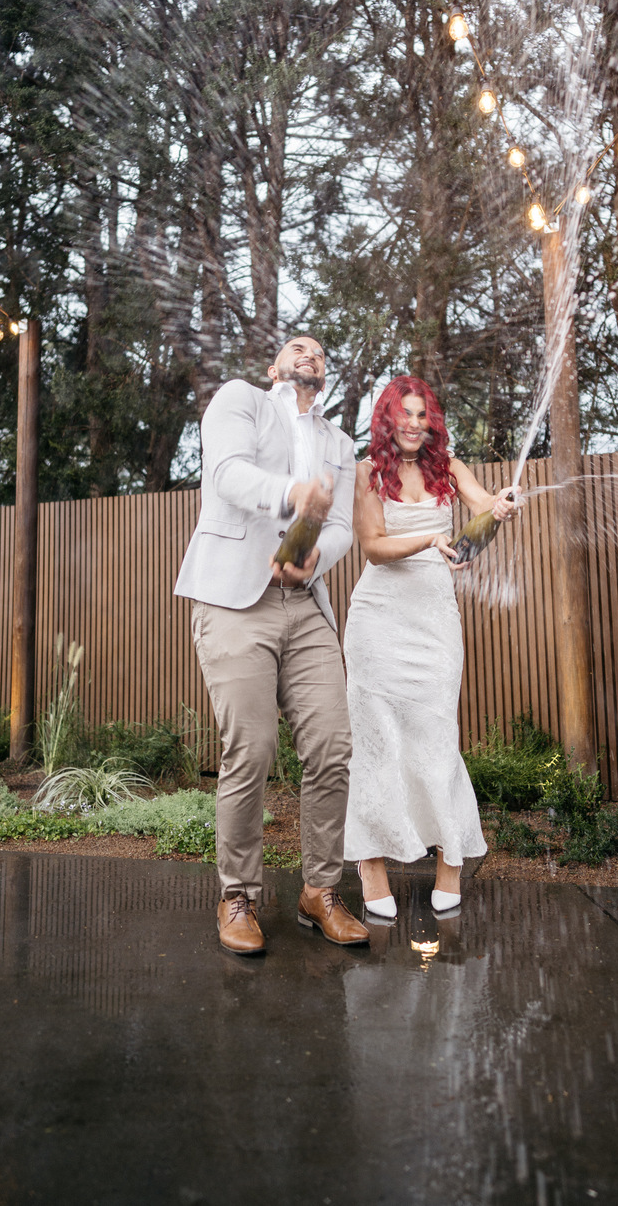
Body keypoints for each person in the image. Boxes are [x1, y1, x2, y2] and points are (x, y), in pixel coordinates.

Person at [175, 335, 370, 957]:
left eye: (320, 351)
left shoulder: (340, 444)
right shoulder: (241, 400)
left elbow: (341, 528)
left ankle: (321, 892)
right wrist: (292, 492)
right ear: (274, 366)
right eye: (296, 346)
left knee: (333, 748)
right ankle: (237, 896)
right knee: (252, 750)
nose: (310, 353)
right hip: (236, 599)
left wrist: (316, 557)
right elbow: (227, 474)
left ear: (325, 374)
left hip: (305, 604)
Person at [342, 375, 519, 918]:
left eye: (423, 414)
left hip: (435, 622)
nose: (415, 423)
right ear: (387, 419)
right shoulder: (368, 473)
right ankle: (372, 863)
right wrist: (428, 539)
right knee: (377, 743)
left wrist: (500, 508)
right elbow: (373, 548)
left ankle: (450, 861)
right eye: (406, 414)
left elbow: (479, 518)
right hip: (378, 622)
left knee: (438, 738)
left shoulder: (450, 468)